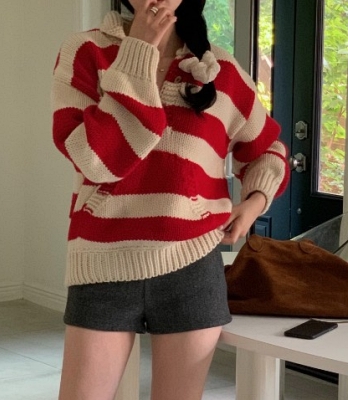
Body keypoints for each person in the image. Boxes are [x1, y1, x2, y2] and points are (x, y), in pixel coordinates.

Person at [51, 0, 289, 399]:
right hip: (103, 261)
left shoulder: (220, 69)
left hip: (191, 265)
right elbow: (95, 160)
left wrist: (254, 202)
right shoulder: (86, 52)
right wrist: (138, 51)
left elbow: (267, 148)